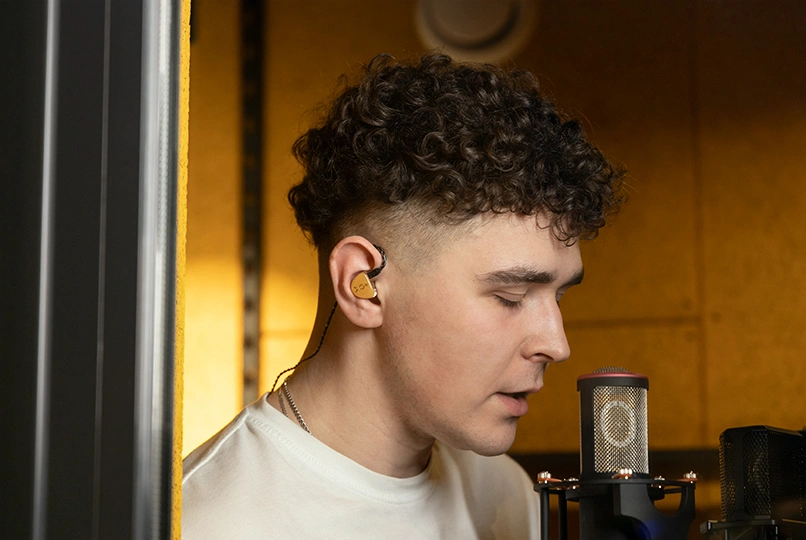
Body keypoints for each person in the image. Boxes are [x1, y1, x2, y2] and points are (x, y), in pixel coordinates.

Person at [182, 52, 624, 539]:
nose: (557, 345)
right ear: (364, 285)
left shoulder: (504, 495)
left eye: (558, 297)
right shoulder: (209, 524)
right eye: (510, 296)